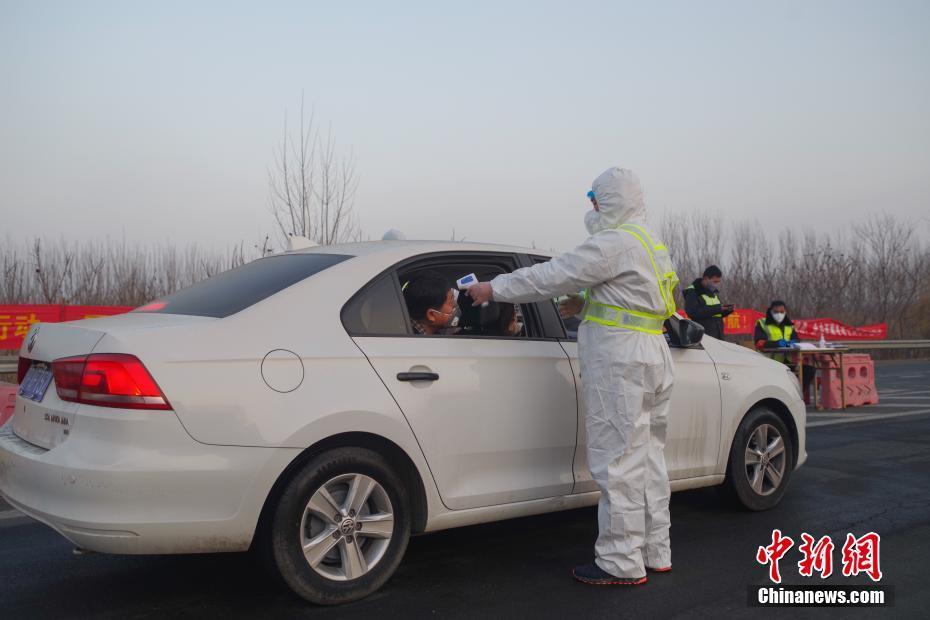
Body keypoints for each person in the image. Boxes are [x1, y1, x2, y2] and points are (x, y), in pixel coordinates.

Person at [467, 167, 678, 586]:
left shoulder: (613, 242)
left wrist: (492, 290)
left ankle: (620, 562)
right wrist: (586, 302)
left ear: (611, 200)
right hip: (653, 353)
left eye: (595, 197)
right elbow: (638, 298)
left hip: (621, 358)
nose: (592, 205)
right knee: (649, 458)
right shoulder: (649, 244)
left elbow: (550, 275)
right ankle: (656, 550)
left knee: (617, 460)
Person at [754, 300, 815, 401]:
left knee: (809, 370)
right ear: (771, 312)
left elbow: (796, 339)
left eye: (782, 312)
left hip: (787, 362)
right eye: (776, 312)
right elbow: (759, 344)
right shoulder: (762, 323)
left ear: (785, 312)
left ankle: (796, 395)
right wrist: (776, 343)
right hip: (769, 362)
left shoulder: (789, 325)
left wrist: (793, 342)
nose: (779, 314)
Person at [683, 265, 733, 340]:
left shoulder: (713, 292)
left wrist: (726, 311)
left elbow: (714, 315)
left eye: (718, 282)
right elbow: (693, 313)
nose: (716, 285)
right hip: (703, 338)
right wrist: (718, 308)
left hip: (718, 337)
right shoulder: (692, 291)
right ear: (706, 278)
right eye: (715, 282)